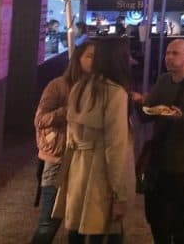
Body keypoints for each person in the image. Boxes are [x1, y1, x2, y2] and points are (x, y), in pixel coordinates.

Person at [131, 39, 184, 244]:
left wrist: (182, 118)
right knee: (154, 213)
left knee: (176, 214)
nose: (168, 57)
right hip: (158, 156)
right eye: (167, 53)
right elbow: (147, 115)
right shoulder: (163, 81)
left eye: (175, 53)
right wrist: (139, 104)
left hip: (182, 159)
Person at [53, 36, 135, 244]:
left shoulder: (79, 87)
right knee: (103, 231)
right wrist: (119, 194)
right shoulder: (115, 93)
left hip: (78, 168)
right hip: (101, 175)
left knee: (77, 231)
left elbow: (72, 132)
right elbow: (115, 148)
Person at [31, 40, 95, 244]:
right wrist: (68, 110)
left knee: (78, 224)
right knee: (48, 223)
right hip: (58, 159)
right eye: (89, 56)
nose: (94, 61)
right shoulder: (58, 85)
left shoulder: (98, 88)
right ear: (78, 58)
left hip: (84, 161)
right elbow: (40, 120)